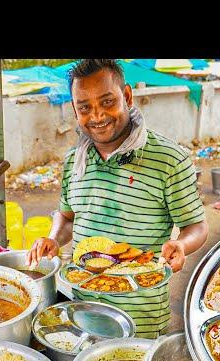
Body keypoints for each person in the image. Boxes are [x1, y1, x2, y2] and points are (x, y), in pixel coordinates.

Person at [27, 59, 208, 338]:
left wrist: (181, 245)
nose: (97, 116)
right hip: (84, 313)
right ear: (75, 111)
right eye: (85, 107)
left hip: (141, 322)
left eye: (107, 101)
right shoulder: (74, 161)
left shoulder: (169, 159)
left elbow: (196, 227)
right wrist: (53, 238)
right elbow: (66, 216)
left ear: (127, 96)